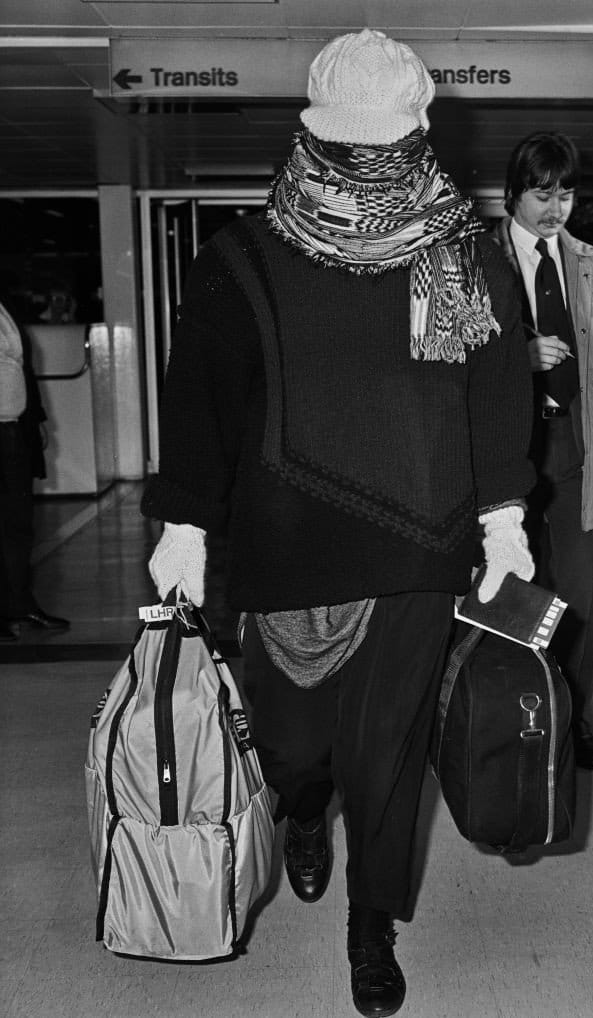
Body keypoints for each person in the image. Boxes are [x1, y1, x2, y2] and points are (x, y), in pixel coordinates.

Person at [141, 30, 535, 1018]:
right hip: (287, 543)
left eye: (384, 141)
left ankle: (373, 922)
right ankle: (304, 810)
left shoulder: (463, 254)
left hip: (422, 542)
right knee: (293, 744)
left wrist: (502, 521)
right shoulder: (242, 256)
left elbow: (493, 396)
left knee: (390, 750)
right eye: (350, 141)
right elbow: (202, 398)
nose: (368, 164)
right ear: (311, 133)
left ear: (418, 132)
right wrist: (185, 521)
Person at [492, 132, 593, 770]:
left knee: (583, 595)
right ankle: (498, 715)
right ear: (513, 193)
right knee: (503, 589)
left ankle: (567, 715)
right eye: (541, 193)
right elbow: (443, 356)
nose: (555, 207)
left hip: (580, 453)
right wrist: (518, 359)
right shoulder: (478, 258)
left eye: (565, 193)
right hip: (506, 457)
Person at [0, 293, 69, 641]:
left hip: (12, 429)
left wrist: (36, 417)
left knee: (18, 525)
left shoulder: (4, 303)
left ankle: (20, 607)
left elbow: (21, 366)